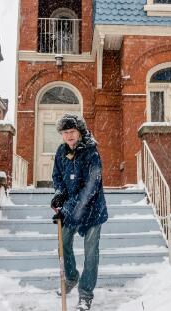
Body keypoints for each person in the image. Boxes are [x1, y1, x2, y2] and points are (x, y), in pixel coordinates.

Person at [51, 113, 108, 311]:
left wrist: (67, 206)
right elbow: (57, 177)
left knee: (91, 252)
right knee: (63, 241)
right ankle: (71, 277)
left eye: (72, 132)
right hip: (72, 209)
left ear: (80, 132)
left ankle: (85, 294)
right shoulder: (61, 151)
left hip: (92, 210)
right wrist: (59, 195)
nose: (69, 136)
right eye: (65, 133)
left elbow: (90, 188)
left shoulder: (91, 152)